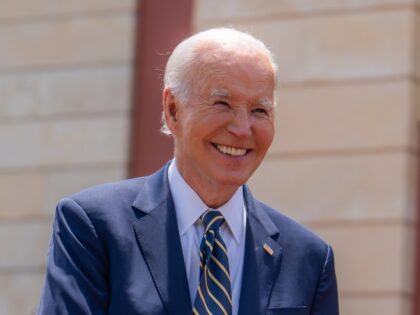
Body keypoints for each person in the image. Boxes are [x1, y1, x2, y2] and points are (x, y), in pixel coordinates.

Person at [38, 28, 339, 315]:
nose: (243, 128)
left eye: (259, 110)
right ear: (173, 111)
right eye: (223, 104)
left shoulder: (309, 258)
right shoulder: (93, 227)